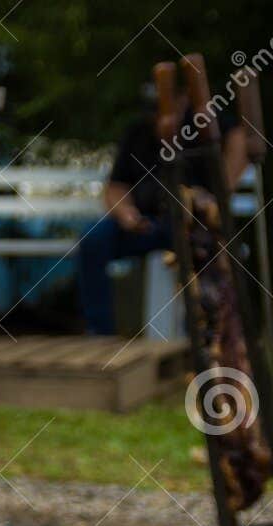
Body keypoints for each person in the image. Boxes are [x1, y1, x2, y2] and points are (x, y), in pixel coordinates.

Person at [79, 81, 247, 335]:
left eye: (162, 109)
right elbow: (115, 187)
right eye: (153, 111)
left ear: (182, 101)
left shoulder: (202, 125)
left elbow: (238, 136)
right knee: (93, 241)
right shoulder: (138, 132)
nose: (156, 118)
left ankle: (199, 337)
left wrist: (219, 194)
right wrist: (127, 215)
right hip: (146, 224)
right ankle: (101, 335)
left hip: (192, 224)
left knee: (206, 250)